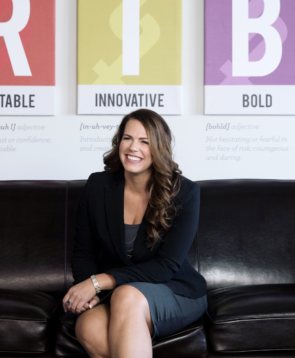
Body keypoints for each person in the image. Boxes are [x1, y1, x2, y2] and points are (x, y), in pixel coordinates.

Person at [63, 109, 207, 358]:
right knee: (88, 326)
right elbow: (83, 252)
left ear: (159, 148)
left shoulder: (185, 193)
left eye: (145, 141)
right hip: (116, 294)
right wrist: (90, 294)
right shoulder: (98, 187)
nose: (133, 147)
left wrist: (98, 282)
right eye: (127, 138)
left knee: (126, 296)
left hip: (174, 289)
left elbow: (165, 266)